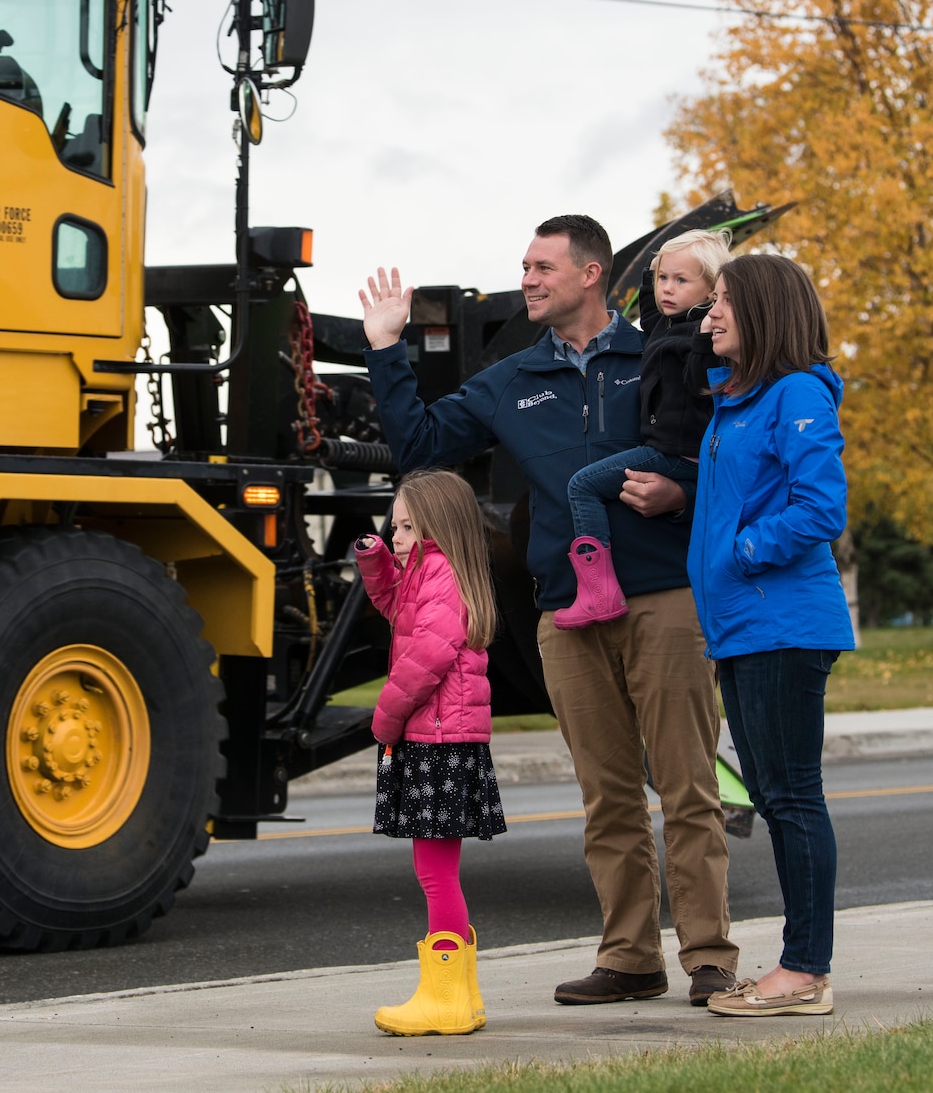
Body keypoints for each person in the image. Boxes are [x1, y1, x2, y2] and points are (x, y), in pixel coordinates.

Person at [360, 215, 740, 1008]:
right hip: (566, 611)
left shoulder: (664, 351)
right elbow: (422, 447)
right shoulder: (512, 380)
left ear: (592, 274)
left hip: (666, 598)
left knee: (687, 788)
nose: (527, 278)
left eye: (541, 267)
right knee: (607, 796)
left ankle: (709, 956)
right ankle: (631, 956)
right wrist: (387, 347)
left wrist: (682, 490)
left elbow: (730, 453)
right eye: (525, 266)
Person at [690, 253, 855, 1018]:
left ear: (762, 310)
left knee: (791, 796)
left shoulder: (796, 393)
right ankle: (801, 964)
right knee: (774, 794)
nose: (708, 314)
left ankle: (804, 969)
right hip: (743, 627)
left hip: (783, 624)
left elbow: (822, 508)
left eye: (722, 301)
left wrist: (745, 551)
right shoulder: (737, 402)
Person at [354, 468, 503, 1037]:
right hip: (447, 739)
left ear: (438, 528)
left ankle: (445, 999)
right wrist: (376, 561)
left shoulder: (440, 575)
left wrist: (386, 718)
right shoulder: (431, 571)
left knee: (434, 874)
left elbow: (426, 659)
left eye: (407, 528)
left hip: (438, 739)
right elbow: (397, 607)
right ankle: (461, 994)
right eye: (394, 526)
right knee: (438, 871)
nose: (395, 536)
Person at [559, 229, 731, 626]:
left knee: (582, 486)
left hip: (675, 452)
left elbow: (706, 380)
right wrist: (648, 274)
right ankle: (598, 590)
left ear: (710, 292)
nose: (667, 289)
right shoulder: (669, 325)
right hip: (671, 449)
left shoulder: (701, 334)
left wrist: (705, 341)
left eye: (681, 280)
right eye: (663, 279)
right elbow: (653, 315)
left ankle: (598, 593)